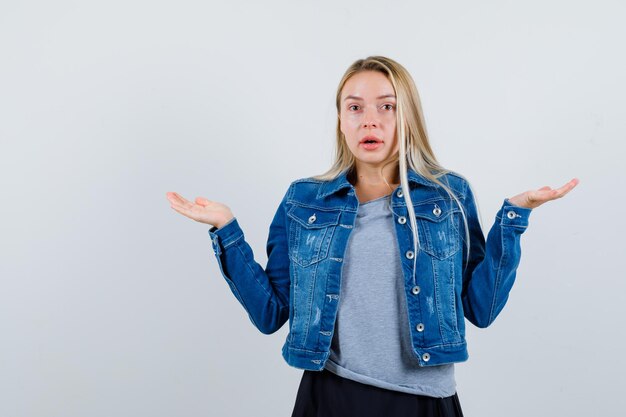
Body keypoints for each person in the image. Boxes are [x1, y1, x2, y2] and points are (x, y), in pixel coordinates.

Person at [166, 56, 579, 417]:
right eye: (355, 107)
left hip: (423, 400)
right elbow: (270, 314)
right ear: (341, 121)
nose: (370, 119)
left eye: (387, 106)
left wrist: (514, 218)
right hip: (329, 396)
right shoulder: (304, 200)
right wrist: (226, 230)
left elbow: (481, 309)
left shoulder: (448, 196)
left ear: (407, 118)